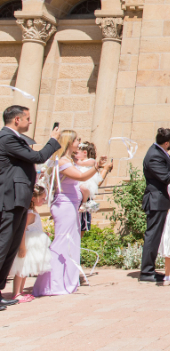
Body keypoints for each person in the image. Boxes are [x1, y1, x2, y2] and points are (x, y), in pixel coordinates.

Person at [33, 130, 108, 296]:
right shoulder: (61, 162)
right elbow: (80, 177)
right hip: (65, 206)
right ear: (69, 142)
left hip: (70, 206)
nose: (79, 143)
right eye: (77, 140)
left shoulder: (67, 160)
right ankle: (53, 284)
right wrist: (97, 167)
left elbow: (82, 170)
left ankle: (65, 281)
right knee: (62, 243)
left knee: (70, 243)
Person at [0, 105, 60, 310]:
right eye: (27, 118)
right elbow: (38, 157)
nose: (30, 121)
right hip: (9, 200)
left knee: (10, 247)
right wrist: (53, 140)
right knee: (3, 245)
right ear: (17, 120)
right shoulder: (7, 138)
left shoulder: (14, 139)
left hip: (19, 199)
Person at [139, 128, 170, 283]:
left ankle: (150, 269)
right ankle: (146, 272)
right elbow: (165, 177)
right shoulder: (154, 156)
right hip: (155, 200)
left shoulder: (159, 152)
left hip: (161, 200)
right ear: (166, 142)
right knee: (152, 236)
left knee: (156, 236)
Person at [9, 185, 49, 303]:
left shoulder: (32, 211)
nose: (44, 200)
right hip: (27, 244)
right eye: (42, 198)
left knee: (26, 268)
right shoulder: (30, 213)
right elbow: (22, 229)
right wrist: (22, 248)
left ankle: (20, 291)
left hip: (31, 243)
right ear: (33, 198)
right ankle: (16, 293)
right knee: (21, 268)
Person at [76, 142, 111, 237]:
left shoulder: (90, 164)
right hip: (74, 198)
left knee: (79, 230)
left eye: (77, 152)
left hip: (83, 200)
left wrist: (105, 169)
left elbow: (97, 182)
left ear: (84, 152)